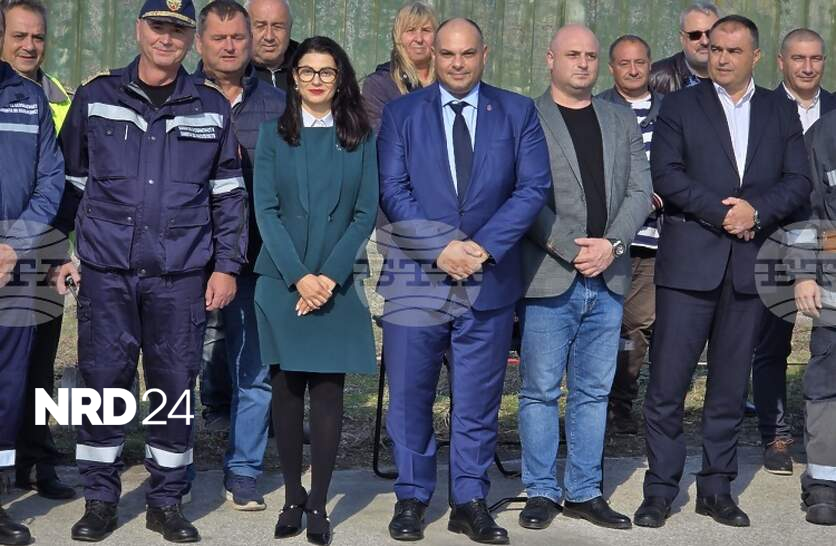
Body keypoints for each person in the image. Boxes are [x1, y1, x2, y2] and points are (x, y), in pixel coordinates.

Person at [54, 0, 247, 541]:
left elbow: (228, 194)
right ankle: (100, 500)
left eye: (177, 31)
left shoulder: (210, 106)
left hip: (179, 277)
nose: (167, 38)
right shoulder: (96, 97)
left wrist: (227, 266)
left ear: (191, 40)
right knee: (102, 385)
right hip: (106, 274)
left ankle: (166, 501)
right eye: (158, 27)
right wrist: (59, 253)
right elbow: (70, 185)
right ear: (139, 30)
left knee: (174, 388)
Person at [378, 17, 551, 544]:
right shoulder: (402, 113)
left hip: (487, 280)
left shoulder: (517, 111)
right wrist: (441, 248)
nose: (457, 63)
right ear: (433, 54)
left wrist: (482, 249)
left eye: (467, 53)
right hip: (416, 279)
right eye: (448, 53)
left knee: (477, 400)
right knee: (410, 397)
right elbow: (393, 188)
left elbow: (532, 187)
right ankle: (412, 496)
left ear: (484, 54)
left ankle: (469, 500)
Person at [637, 15, 811, 529]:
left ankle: (717, 488)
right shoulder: (679, 106)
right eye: (715, 49)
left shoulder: (780, 110)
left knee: (730, 389)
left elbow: (798, 181)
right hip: (689, 267)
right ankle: (660, 489)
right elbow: (666, 175)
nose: (722, 58)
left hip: (748, 266)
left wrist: (755, 212)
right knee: (667, 385)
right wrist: (723, 213)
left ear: (755, 57)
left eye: (733, 50)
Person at [517, 24, 652, 532]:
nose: (583, 63)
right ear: (550, 59)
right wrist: (572, 249)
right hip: (549, 274)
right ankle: (540, 490)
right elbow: (522, 194)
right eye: (572, 54)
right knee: (539, 390)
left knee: (594, 391)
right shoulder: (527, 117)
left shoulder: (620, 120)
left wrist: (611, 245)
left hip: (609, 275)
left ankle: (583, 490)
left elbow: (640, 190)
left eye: (591, 55)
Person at [253, 36, 377, 546]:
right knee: (286, 392)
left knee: (327, 393)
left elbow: (364, 213)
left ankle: (320, 503)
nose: (317, 80)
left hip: (336, 284)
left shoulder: (360, 137)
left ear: (340, 78)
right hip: (283, 281)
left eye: (327, 72)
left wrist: (327, 278)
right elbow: (266, 211)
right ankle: (292, 496)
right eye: (307, 71)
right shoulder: (271, 135)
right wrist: (300, 277)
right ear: (294, 77)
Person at [194, 0, 286, 511]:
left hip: (253, 261)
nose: (229, 47)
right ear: (200, 42)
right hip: (184, 261)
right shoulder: (179, 97)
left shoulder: (278, 105)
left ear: (250, 42)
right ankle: (174, 466)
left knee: (253, 372)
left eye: (238, 37)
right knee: (175, 370)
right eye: (219, 38)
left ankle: (244, 469)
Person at [751, 27, 836, 476]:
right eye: (798, 58)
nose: (807, 67)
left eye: (816, 58)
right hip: (776, 239)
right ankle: (776, 435)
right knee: (772, 343)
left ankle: (823, 439)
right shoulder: (761, 109)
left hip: (830, 244)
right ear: (780, 61)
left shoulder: (835, 111)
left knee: (828, 348)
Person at [0, 0, 75, 501]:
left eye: (39, 37)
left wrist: (21, 244)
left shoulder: (53, 96)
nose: (30, 46)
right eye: (19, 36)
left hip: (38, 249)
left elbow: (61, 177)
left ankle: (32, 460)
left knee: (33, 367)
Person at [597, 34, 664, 436]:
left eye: (640, 62)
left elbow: (678, 165)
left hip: (651, 241)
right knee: (604, 323)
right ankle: (598, 402)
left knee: (638, 324)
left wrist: (659, 193)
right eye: (624, 63)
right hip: (606, 239)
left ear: (650, 65)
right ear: (612, 68)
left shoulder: (669, 112)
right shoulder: (598, 108)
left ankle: (622, 404)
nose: (633, 70)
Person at [790, 108, 836, 526]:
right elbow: (805, 213)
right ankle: (824, 483)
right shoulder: (824, 136)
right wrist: (804, 273)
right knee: (826, 384)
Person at [361, 0, 437, 131]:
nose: (419, 39)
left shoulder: (449, 82)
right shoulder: (379, 85)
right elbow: (382, 136)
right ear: (398, 37)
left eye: (426, 30)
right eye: (410, 30)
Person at [649, 2, 719, 94]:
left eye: (710, 33)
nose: (705, 42)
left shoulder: (736, 76)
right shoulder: (654, 78)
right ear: (682, 38)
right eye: (695, 35)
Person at [246, 0, 297, 91]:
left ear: (290, 28)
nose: (269, 37)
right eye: (260, 26)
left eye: (277, 27)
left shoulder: (307, 65)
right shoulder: (233, 71)